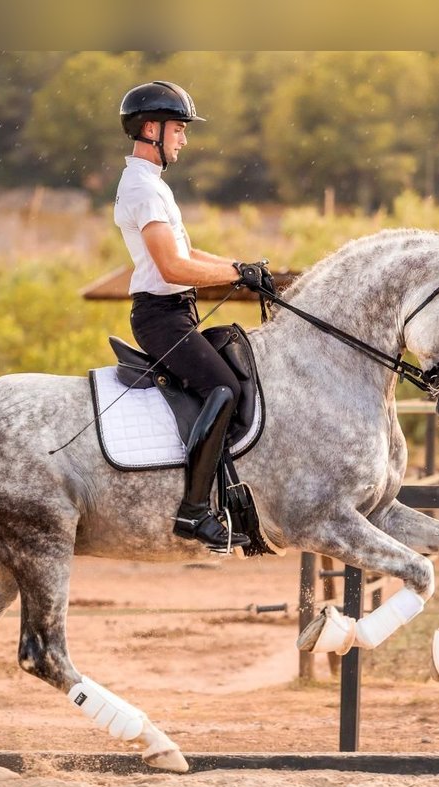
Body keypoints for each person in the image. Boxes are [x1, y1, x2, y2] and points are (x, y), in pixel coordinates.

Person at [114, 80, 274, 552]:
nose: (184, 139)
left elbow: (188, 251)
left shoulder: (151, 187)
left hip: (176, 312)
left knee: (234, 381)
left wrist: (240, 269)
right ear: (151, 128)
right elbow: (172, 267)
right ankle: (193, 511)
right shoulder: (143, 190)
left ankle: (226, 498)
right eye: (179, 130)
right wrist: (234, 272)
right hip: (162, 316)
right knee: (222, 390)